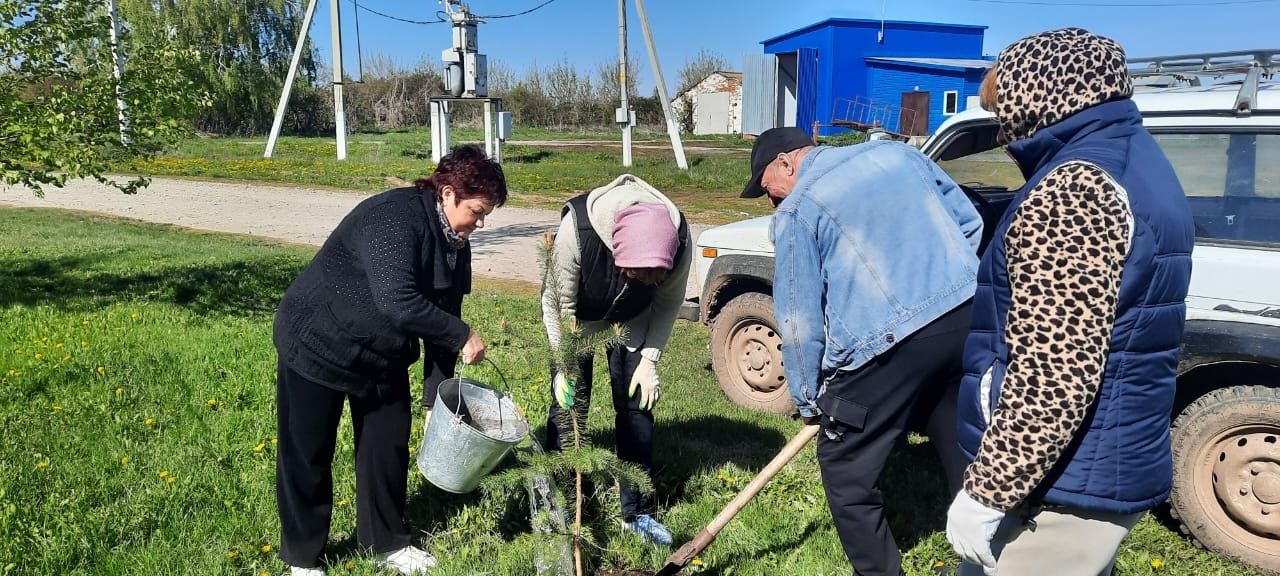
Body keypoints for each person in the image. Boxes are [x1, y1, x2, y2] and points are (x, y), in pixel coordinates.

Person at [945, 28, 1195, 576]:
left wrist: (990, 490)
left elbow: (1055, 370)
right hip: (1095, 458)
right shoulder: (1132, 158)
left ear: (1039, 99)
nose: (1003, 128)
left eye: (1002, 109)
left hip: (1059, 481)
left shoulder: (1074, 188)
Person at [742, 127, 983, 576]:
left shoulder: (800, 209)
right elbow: (968, 222)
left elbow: (798, 321)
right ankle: (993, 551)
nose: (771, 202)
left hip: (888, 345)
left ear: (785, 163)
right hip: (966, 318)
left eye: (767, 190)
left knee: (844, 466)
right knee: (956, 432)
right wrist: (947, 288)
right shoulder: (898, 157)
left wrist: (810, 399)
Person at [273, 145, 507, 576]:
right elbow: (399, 302)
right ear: (448, 192)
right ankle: (303, 558)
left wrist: (438, 397)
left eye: (485, 215)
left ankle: (385, 542)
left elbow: (445, 312)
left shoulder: (456, 244)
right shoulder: (396, 217)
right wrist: (463, 336)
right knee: (307, 451)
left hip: (381, 354)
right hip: (317, 340)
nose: (479, 222)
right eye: (476, 211)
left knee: (387, 447)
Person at [540, 173, 691, 546]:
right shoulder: (578, 230)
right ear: (618, 254)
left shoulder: (679, 240)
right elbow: (556, 302)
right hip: (580, 320)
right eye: (640, 275)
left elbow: (668, 304)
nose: (650, 281)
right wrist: (564, 364)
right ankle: (563, 502)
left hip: (634, 321)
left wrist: (650, 360)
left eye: (656, 277)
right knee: (569, 407)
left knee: (637, 405)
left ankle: (635, 512)